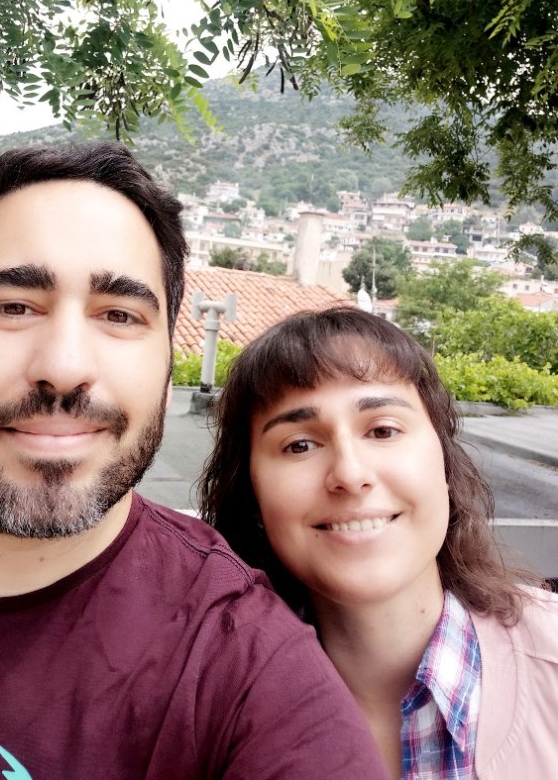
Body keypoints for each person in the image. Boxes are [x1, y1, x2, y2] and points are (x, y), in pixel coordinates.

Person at [0, 143, 389, 780]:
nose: (63, 367)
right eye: (13, 306)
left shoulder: (246, 665)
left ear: (167, 368)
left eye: (119, 315)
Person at [199, 306, 558, 780]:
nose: (349, 474)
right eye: (299, 445)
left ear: (445, 465)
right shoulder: (200, 702)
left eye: (383, 430)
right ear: (253, 498)